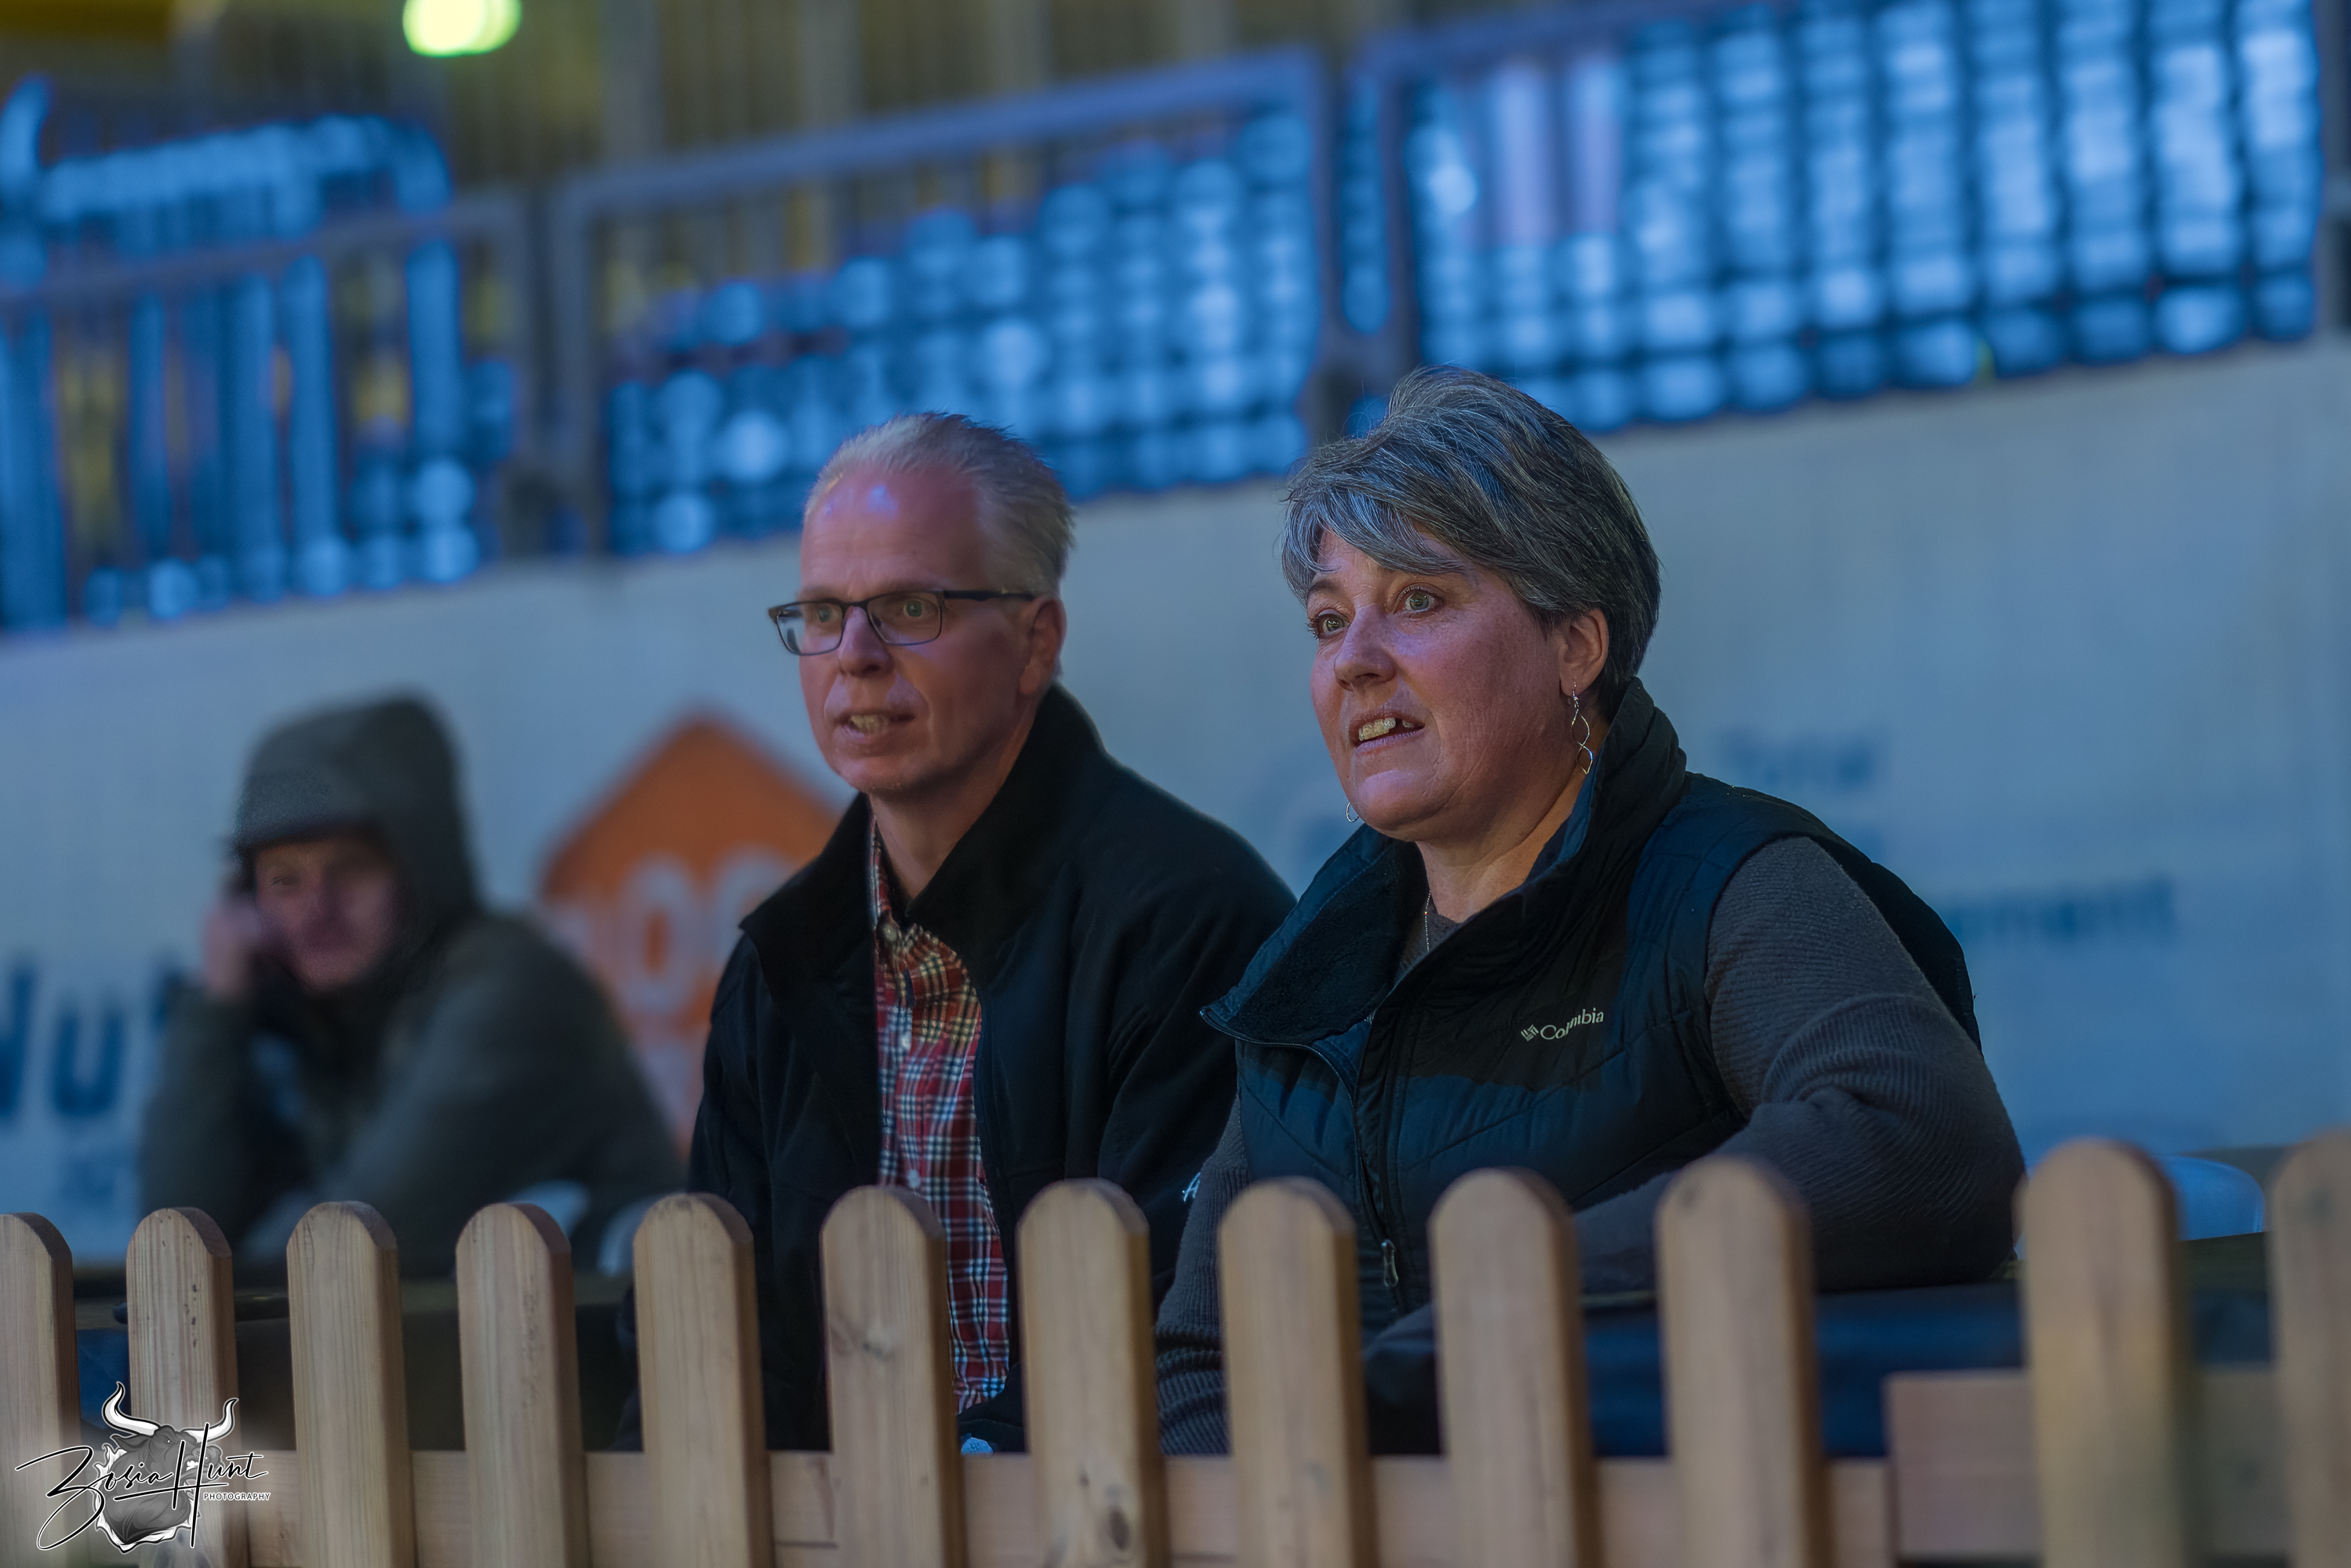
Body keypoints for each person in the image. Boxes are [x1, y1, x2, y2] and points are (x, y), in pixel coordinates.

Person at [1154, 367, 2024, 1453]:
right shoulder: (1305, 981)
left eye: (1418, 601)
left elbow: (1914, 1132)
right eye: (1329, 622)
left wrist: (1494, 1310)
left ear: (1575, 644)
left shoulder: (1726, 879)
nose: (1354, 663)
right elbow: (1200, 1364)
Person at [660, 412, 1292, 1454]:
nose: (854, 657)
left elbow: (1174, 1340)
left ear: (1036, 641)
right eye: (821, 614)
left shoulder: (1187, 923)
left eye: (909, 608)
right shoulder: (779, 961)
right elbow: (720, 1345)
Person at [141, 697, 681, 1277]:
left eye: (351, 868)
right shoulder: (317, 1016)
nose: (315, 910)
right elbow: (177, 1240)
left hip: (616, 1334)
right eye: (284, 880)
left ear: (422, 868)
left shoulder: (514, 993)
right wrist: (217, 1009)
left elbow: (340, 1254)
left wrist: (208, 1288)